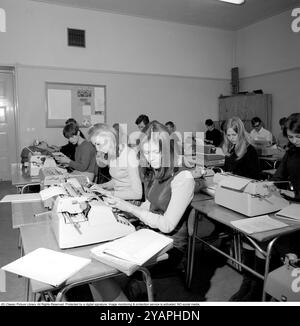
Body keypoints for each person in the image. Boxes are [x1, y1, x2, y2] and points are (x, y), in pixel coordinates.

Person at [103, 121, 195, 285]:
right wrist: (122, 208)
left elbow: (167, 225)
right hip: (151, 233)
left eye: (155, 152)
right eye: (146, 152)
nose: (149, 158)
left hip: (172, 245)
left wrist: (131, 208)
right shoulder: (156, 170)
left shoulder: (183, 178)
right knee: (108, 252)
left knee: (116, 271)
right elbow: (148, 204)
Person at [230, 113, 300, 302]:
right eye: (291, 137)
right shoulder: (292, 151)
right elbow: (280, 174)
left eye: (298, 137)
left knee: (278, 240)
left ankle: (259, 287)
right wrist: (273, 183)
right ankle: (250, 282)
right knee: (254, 234)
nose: (294, 141)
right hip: (287, 204)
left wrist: (294, 195)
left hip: (295, 206)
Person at [89, 123, 142, 200]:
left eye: (98, 144)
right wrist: (100, 186)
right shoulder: (112, 153)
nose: (97, 149)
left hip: (130, 202)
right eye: (95, 145)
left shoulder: (129, 154)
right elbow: (117, 181)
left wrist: (107, 193)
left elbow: (137, 194)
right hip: (118, 197)